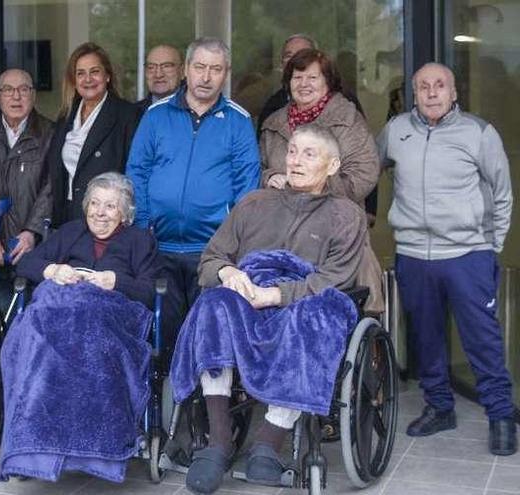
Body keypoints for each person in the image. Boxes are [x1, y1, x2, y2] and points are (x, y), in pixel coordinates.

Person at [170, 124, 370, 493]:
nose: (295, 160)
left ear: (332, 165)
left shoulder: (346, 215)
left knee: (312, 319)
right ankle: (219, 441)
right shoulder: (253, 203)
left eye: (309, 154)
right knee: (213, 303)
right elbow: (212, 257)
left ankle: (269, 440)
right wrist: (229, 272)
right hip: (247, 297)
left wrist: (276, 295)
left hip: (303, 299)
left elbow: (336, 278)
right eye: (292, 151)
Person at [379, 62, 516, 456]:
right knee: (426, 337)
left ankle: (501, 415)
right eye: (424, 86)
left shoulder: (478, 132)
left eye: (440, 85)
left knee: (483, 340)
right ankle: (440, 407)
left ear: (454, 92)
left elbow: (502, 193)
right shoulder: (395, 131)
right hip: (413, 255)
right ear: (414, 93)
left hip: (467, 254)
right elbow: (368, 170)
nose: (432, 92)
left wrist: (492, 245)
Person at [0, 172, 161, 482]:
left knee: (89, 335)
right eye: (95, 204)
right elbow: (25, 264)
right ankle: (34, 449)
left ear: (125, 213)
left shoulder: (140, 241)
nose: (100, 213)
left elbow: (151, 290)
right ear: (85, 206)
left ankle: (95, 451)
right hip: (56, 313)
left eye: (110, 206)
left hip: (108, 317)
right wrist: (53, 269)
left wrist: (116, 282)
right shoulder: (69, 233)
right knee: (34, 328)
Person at [126, 37, 259, 362]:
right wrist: (144, 227)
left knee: (209, 342)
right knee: (164, 339)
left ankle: (206, 410)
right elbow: (137, 171)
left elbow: (247, 188)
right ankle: (170, 407)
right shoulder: (156, 116)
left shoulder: (239, 121)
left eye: (215, 69)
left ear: (225, 74)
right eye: (199, 67)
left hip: (211, 253)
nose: (206, 76)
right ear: (186, 69)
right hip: (161, 248)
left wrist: (229, 242)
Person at [0, 68, 52, 309]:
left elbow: (51, 189)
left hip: (33, 247)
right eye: (8, 90)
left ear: (33, 95)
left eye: (23, 89)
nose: (16, 97)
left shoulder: (51, 134)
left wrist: (31, 232)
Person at [259, 48, 379, 207]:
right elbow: (258, 168)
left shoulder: (348, 119)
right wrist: (269, 177)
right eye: (297, 77)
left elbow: (364, 174)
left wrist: (315, 190)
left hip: (335, 220)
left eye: (312, 77)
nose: (303, 84)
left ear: (328, 81)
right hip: (281, 219)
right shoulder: (273, 123)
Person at [46, 42, 142, 228]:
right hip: (68, 215)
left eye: (94, 71)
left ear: (107, 76)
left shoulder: (127, 115)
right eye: (80, 73)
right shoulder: (66, 116)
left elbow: (134, 174)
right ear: (74, 80)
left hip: (106, 220)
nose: (88, 79)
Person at [136, 44, 184, 111]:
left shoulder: (198, 110)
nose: (158, 75)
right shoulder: (132, 114)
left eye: (166, 66)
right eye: (151, 67)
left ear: (182, 71)